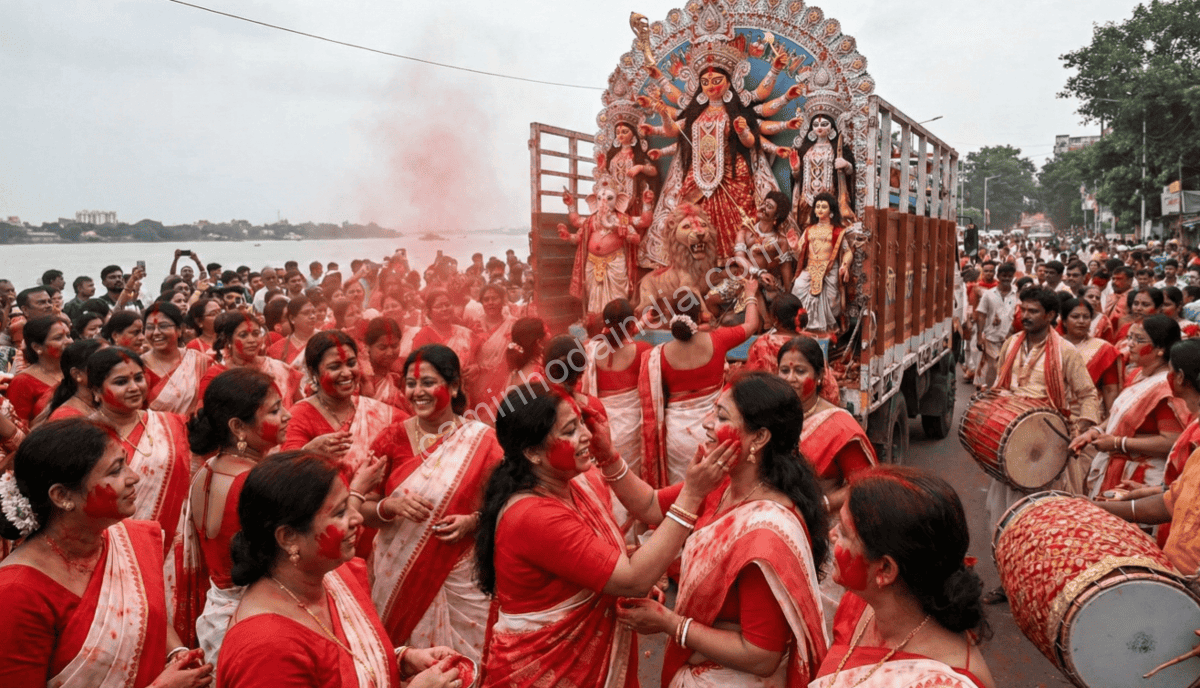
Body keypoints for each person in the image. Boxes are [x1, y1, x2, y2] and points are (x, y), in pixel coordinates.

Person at [475, 383, 726, 688]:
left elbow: (649, 506)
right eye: (569, 430)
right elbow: (632, 579)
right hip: (549, 669)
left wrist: (608, 456)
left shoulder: (577, 482)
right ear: (532, 453)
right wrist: (693, 494)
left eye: (582, 421)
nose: (587, 435)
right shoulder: (533, 515)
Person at [616, 372, 831, 687]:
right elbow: (649, 504)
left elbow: (761, 655)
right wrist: (608, 459)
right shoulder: (718, 485)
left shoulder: (766, 532)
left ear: (758, 438)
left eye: (720, 416)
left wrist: (669, 622)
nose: (705, 423)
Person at [216, 451, 460, 688]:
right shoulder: (264, 650)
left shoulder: (331, 578)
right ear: (288, 536)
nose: (357, 519)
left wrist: (400, 660)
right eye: (341, 512)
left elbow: (343, 663)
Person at [0, 418, 215, 687]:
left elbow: (145, 611)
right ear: (62, 496)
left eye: (125, 462)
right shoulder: (17, 593)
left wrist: (176, 653)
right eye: (115, 471)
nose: (134, 477)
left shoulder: (125, 541)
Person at [362, 345, 502, 660]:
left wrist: (472, 521)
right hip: (397, 578)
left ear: (454, 387)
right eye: (411, 384)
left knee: (471, 666)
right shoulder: (391, 439)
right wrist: (390, 507)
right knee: (407, 663)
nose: (417, 392)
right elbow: (360, 508)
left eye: (428, 382)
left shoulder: (483, 441)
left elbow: (509, 506)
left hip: (464, 580)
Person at [809, 466, 995, 688]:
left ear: (886, 569)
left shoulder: (946, 681)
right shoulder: (858, 606)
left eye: (845, 533)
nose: (831, 535)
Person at [981, 288, 1103, 605]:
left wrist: (1084, 430)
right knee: (1001, 517)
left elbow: (1089, 396)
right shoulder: (1011, 343)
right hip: (1009, 447)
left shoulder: (1065, 352)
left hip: (1046, 449)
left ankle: (1038, 586)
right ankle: (1008, 583)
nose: (1026, 316)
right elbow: (1000, 385)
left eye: (1034, 311)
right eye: (1024, 310)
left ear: (1050, 316)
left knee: (1039, 522)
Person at [187, 368, 293, 665]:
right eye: (275, 410)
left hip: (217, 613)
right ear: (238, 426)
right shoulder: (256, 484)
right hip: (256, 617)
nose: (288, 416)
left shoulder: (205, 472)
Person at [1094, 339, 1200, 575]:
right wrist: (1148, 492)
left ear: (1180, 377)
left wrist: (1118, 443)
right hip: (1181, 564)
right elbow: (1179, 497)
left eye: (1170, 371)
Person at [640, 283, 759, 487]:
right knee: (717, 491)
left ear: (672, 315)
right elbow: (751, 325)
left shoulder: (658, 355)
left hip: (677, 435)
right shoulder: (718, 340)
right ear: (700, 315)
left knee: (682, 491)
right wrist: (750, 295)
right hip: (714, 430)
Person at [1076, 315, 1189, 497]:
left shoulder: (1165, 387)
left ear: (1160, 349)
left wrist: (1118, 443)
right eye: (1130, 338)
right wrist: (1095, 431)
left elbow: (1171, 440)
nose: (1130, 344)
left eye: (1139, 340)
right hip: (1116, 468)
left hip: (1141, 479)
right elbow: (1119, 417)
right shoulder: (1138, 374)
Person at [282, 331, 399, 488]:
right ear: (313, 371)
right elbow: (286, 478)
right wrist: (307, 454)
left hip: (380, 508)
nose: (346, 373)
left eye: (351, 363)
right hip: (327, 510)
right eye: (335, 366)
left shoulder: (378, 412)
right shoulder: (299, 416)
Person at [777, 337, 876, 513]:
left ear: (820, 376)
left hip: (823, 525)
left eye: (800, 371)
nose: (790, 378)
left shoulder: (840, 427)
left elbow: (863, 484)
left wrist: (821, 506)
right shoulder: (770, 415)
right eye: (784, 370)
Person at [198, 312, 302, 409]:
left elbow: (299, 407)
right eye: (243, 335)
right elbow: (203, 415)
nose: (252, 340)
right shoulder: (216, 375)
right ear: (229, 340)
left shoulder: (279, 368)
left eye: (256, 334)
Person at [790, 193, 852, 333]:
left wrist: (845, 265)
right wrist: (794, 247)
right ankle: (804, 325)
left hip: (829, 268)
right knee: (798, 287)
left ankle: (826, 328)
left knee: (832, 300)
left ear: (831, 211)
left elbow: (847, 251)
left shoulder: (837, 231)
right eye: (817, 206)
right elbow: (799, 254)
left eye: (824, 206)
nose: (820, 209)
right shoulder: (808, 230)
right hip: (810, 268)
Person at [142, 303, 210, 417]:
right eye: (150, 327)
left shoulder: (199, 361)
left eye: (163, 326)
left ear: (179, 330)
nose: (156, 332)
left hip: (195, 430)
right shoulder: (137, 366)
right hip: (154, 432)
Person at [1060, 297, 1122, 415]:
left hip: (1089, 416)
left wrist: (1108, 423)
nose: (1081, 321)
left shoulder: (1103, 349)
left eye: (1086, 317)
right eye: (1075, 317)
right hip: (1053, 414)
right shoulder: (1053, 345)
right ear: (1064, 321)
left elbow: (1110, 390)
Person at [7, 314, 70, 427]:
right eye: (58, 338)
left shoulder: (76, 372)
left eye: (68, 335)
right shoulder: (22, 382)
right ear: (37, 347)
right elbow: (18, 430)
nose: (68, 341)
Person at [465, 284, 516, 412]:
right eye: (486, 299)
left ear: (503, 300)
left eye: (494, 298)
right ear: (481, 302)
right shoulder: (474, 326)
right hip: (479, 384)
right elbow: (468, 354)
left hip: (505, 382)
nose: (490, 303)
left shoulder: (513, 325)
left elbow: (519, 354)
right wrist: (474, 366)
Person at [409, 290, 476, 373]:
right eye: (438, 306)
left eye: (447, 305)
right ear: (429, 312)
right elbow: (417, 367)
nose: (444, 309)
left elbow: (477, 359)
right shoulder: (423, 335)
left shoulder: (465, 333)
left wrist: (475, 367)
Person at [974, 262, 1018, 387]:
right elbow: (981, 315)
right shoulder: (988, 294)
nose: (1006, 279)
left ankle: (996, 391)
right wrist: (979, 337)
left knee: (1005, 367)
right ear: (998, 276)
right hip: (991, 337)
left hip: (1011, 339)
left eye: (1009, 276)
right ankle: (991, 391)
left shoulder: (1017, 294)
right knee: (995, 364)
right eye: (1004, 276)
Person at [42, 338, 106, 422]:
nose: (115, 369)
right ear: (77, 374)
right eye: (103, 364)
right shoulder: (66, 417)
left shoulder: (106, 405)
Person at [745, 294, 804, 374]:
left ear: (775, 319)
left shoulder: (762, 343)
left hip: (769, 385)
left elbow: (750, 374)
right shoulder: (808, 340)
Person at [267, 295, 319, 370]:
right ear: (292, 319)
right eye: (306, 313)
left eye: (314, 312)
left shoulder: (326, 340)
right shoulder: (277, 349)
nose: (312, 316)